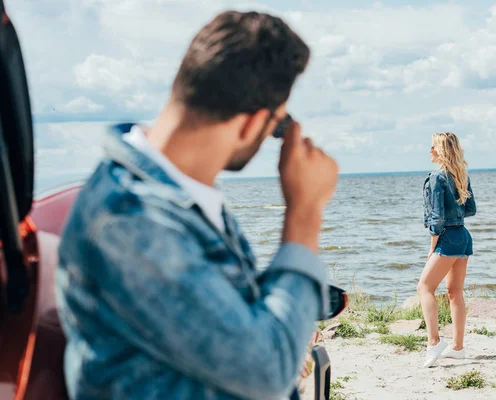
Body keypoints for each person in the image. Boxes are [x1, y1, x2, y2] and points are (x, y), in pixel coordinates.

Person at [54, 10, 338, 400]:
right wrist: (305, 212)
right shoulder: (131, 220)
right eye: (279, 126)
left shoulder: (175, 196)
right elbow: (266, 371)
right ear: (252, 123)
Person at [417, 132, 476, 368]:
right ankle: (458, 348)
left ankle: (434, 342)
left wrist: (432, 248)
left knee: (424, 287)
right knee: (454, 292)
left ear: (441, 151)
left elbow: (437, 218)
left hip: (447, 238)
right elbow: (470, 209)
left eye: (432, 147)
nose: (429, 151)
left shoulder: (437, 177)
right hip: (463, 236)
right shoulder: (460, 173)